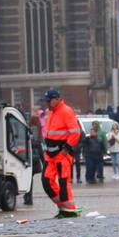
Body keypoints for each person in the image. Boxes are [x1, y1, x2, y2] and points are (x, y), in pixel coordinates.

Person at [39, 88, 81, 217]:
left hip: (62, 154)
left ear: (57, 99)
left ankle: (70, 210)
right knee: (46, 181)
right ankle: (63, 207)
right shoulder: (51, 112)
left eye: (49, 101)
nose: (47, 103)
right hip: (50, 154)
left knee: (63, 183)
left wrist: (66, 148)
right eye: (46, 101)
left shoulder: (66, 111)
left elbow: (75, 132)